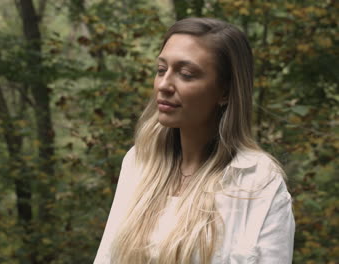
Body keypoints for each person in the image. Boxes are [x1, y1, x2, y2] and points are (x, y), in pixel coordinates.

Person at [94, 18, 295, 264]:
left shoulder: (258, 183)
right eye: (161, 70)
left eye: (186, 74)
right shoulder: (139, 162)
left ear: (225, 92)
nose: (164, 85)